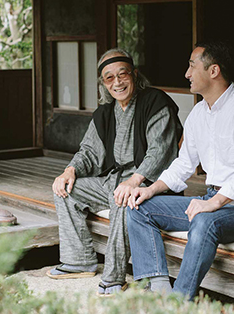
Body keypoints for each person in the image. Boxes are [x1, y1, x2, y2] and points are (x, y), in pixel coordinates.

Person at [127, 41, 234, 300]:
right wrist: (150, 189)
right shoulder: (197, 114)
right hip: (212, 200)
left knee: (204, 221)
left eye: (192, 66)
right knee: (138, 208)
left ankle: (179, 302)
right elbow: (184, 164)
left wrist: (213, 203)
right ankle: (158, 288)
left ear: (214, 71)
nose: (187, 74)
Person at [47, 48, 183, 296]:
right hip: (113, 181)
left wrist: (134, 180)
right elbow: (89, 151)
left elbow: (159, 150)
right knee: (66, 190)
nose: (117, 82)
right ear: (103, 83)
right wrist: (69, 170)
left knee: (123, 199)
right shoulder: (105, 113)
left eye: (123, 75)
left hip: (150, 185)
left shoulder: (155, 102)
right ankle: (79, 260)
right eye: (109, 78)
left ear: (135, 74)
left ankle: (114, 278)